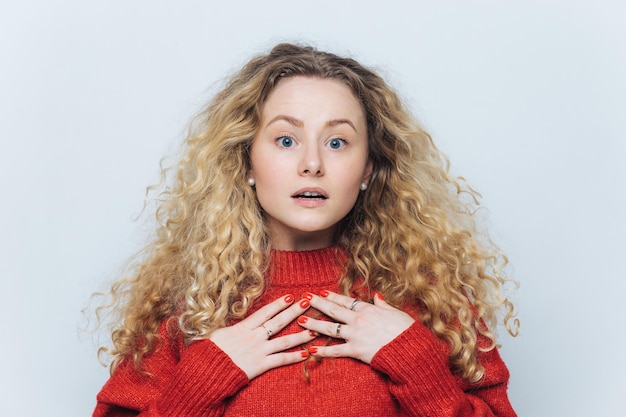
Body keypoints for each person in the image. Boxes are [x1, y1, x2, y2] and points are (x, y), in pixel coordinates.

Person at [93, 42, 519, 417]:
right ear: (246, 163)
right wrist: (203, 383)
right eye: (286, 140)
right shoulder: (189, 303)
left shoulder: (430, 296)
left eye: (337, 142)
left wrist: (417, 366)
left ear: (368, 167)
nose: (312, 163)